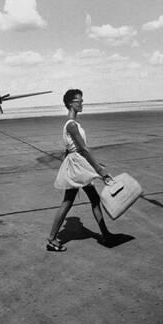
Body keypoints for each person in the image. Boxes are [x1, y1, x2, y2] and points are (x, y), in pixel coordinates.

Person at [47, 89, 113, 252]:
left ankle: (105, 234)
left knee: (90, 199)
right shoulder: (71, 124)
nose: (82, 103)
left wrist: (93, 164)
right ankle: (51, 239)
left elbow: (71, 150)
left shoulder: (72, 124)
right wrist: (98, 169)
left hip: (78, 165)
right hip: (78, 166)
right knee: (70, 201)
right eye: (79, 101)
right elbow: (83, 149)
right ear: (71, 103)